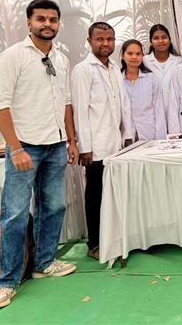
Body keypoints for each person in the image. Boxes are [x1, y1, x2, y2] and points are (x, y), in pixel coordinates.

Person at [0, 0, 78, 311]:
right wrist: (15, 148)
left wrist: (70, 140)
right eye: (41, 19)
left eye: (53, 19)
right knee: (14, 213)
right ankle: (6, 281)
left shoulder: (61, 58)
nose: (48, 24)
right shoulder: (12, 57)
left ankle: (44, 263)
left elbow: (66, 101)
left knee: (53, 207)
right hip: (25, 146)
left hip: (56, 144)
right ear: (29, 23)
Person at [71, 22, 132, 261]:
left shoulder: (114, 68)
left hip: (115, 145)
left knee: (113, 194)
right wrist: (84, 147)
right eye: (100, 39)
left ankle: (113, 237)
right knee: (95, 195)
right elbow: (79, 111)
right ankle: (95, 243)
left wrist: (127, 135)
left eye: (110, 39)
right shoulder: (83, 70)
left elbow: (123, 106)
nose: (105, 44)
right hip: (95, 148)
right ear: (89, 41)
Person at [120, 39, 167, 141]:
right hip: (124, 135)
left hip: (148, 133)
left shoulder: (152, 79)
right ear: (123, 56)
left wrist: (160, 139)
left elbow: (159, 111)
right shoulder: (117, 79)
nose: (134, 57)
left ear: (142, 56)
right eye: (130, 53)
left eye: (138, 54)